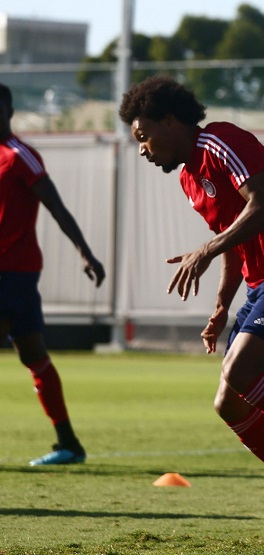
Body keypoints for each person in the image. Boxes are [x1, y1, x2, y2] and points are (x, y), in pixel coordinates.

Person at [118, 76, 264, 534]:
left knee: (240, 373)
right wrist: (221, 306)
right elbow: (235, 238)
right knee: (228, 403)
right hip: (262, 286)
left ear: (171, 122)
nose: (143, 150)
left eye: (144, 136)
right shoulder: (190, 178)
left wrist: (204, 253)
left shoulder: (221, 141)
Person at [0, 83, 106, 467]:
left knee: (34, 357)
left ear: (8, 111)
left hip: (14, 273)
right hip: (12, 275)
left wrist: (85, 252)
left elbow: (56, 207)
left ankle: (69, 443)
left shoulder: (20, 156)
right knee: (34, 356)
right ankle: (69, 443)